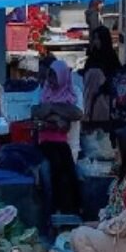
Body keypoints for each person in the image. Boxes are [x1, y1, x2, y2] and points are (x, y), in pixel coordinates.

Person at [32, 60, 82, 217]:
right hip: (46, 142)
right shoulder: (44, 90)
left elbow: (73, 116)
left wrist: (52, 109)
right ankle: (54, 212)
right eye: (50, 77)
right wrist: (56, 117)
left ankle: (73, 209)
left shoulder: (73, 93)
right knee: (54, 171)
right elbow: (37, 112)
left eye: (54, 77)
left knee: (68, 172)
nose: (51, 81)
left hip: (64, 143)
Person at [81, 25, 121, 131]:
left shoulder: (111, 57)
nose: (96, 41)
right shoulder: (92, 56)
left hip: (106, 102)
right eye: (95, 38)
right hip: (90, 102)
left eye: (99, 38)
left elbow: (116, 77)